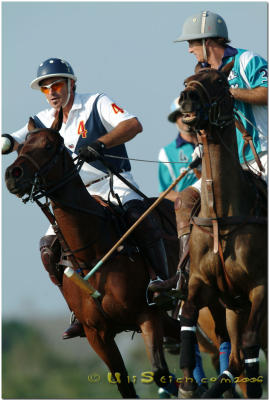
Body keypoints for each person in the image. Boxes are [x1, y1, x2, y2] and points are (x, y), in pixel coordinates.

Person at [1, 57, 170, 339]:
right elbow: (17, 141)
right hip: (76, 200)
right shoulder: (41, 121)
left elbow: (133, 125)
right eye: (46, 88)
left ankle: (162, 283)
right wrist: (7, 142)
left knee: (140, 221)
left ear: (71, 83)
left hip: (113, 184)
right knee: (47, 250)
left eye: (56, 84)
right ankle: (79, 309)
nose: (52, 92)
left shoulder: (96, 103)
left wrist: (100, 144)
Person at [158, 97, 200, 202]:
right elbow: (165, 193)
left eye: (188, 114)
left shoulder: (211, 143)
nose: (185, 118)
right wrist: (190, 197)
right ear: (175, 119)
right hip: (189, 208)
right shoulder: (166, 152)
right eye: (181, 115)